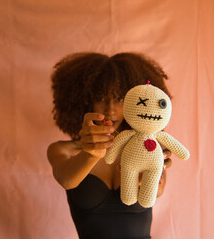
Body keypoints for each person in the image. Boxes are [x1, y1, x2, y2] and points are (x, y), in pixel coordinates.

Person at [47, 52, 173, 239]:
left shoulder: (149, 146)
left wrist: (152, 173)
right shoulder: (63, 150)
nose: (110, 109)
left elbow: (157, 192)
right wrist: (91, 153)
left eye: (120, 99)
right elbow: (67, 180)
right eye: (101, 98)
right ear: (85, 101)